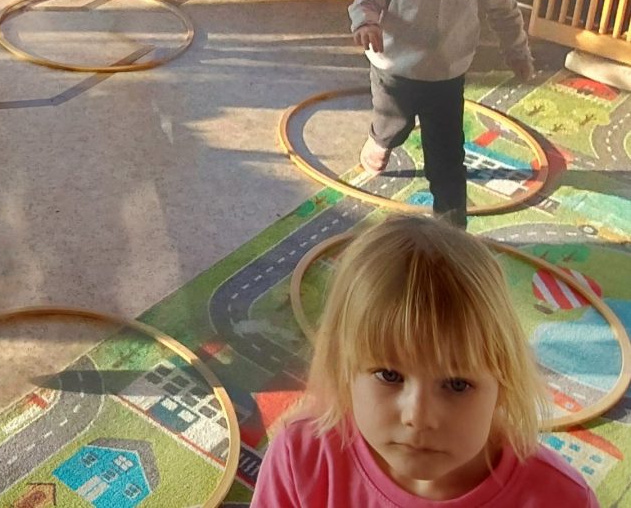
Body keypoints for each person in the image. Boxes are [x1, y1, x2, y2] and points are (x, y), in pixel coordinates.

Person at [251, 215, 596, 506]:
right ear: (344, 368)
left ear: (503, 385)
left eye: (457, 384)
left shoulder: (561, 498)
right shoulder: (301, 458)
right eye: (389, 375)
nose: (418, 416)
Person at [348, 0, 534, 227]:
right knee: (393, 124)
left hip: (446, 76)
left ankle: (452, 223)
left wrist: (517, 52)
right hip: (394, 68)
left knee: (447, 154)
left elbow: (506, 14)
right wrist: (366, 23)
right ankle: (380, 139)